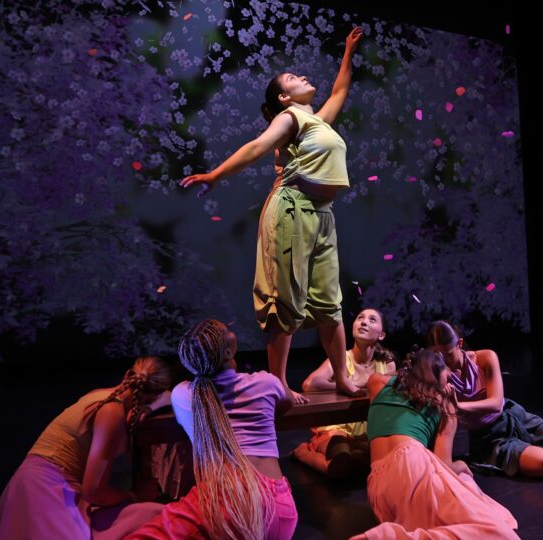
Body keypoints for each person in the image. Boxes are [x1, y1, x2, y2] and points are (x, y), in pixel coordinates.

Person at [180, 28, 366, 404]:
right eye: (293, 79)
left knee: (330, 301)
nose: (302, 77)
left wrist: (347, 52)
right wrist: (215, 175)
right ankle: (279, 382)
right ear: (285, 97)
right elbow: (258, 146)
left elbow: (340, 91)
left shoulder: (319, 121)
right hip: (291, 211)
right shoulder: (291, 118)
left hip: (322, 216)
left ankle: (343, 380)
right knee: (285, 297)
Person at [125, 319, 297, 539]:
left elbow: (168, 396)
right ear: (227, 352)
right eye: (227, 329)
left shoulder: (185, 395)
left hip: (227, 502)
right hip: (279, 508)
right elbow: (288, 400)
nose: (231, 327)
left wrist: (148, 407)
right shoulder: (266, 383)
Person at [0, 356, 173, 540]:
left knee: (145, 515)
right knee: (150, 515)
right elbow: (94, 491)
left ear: (128, 374)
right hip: (46, 491)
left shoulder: (99, 395)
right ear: (152, 395)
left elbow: (168, 397)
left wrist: (150, 407)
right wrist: (137, 496)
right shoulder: (111, 412)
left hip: (34, 483)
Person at [351, 348, 519, 539]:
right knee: (497, 531)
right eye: (448, 378)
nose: (450, 383)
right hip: (412, 465)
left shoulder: (378, 382)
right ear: (435, 375)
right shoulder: (445, 406)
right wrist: (462, 465)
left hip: (377, 488)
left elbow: (395, 376)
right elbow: (444, 465)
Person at [426, 320, 543, 477]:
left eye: (448, 354)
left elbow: (496, 403)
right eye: (438, 355)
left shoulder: (485, 358)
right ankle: (533, 452)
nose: (444, 360)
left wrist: (459, 406)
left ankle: (536, 447)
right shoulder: (439, 374)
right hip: (489, 439)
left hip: (514, 416)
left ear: (459, 344)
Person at [292, 308, 396, 478]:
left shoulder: (387, 365)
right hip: (337, 428)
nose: (363, 322)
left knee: (372, 465)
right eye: (360, 317)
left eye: (372, 320)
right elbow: (310, 383)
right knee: (341, 464)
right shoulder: (340, 359)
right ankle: (303, 453)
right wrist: (345, 383)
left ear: (381, 335)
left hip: (367, 430)